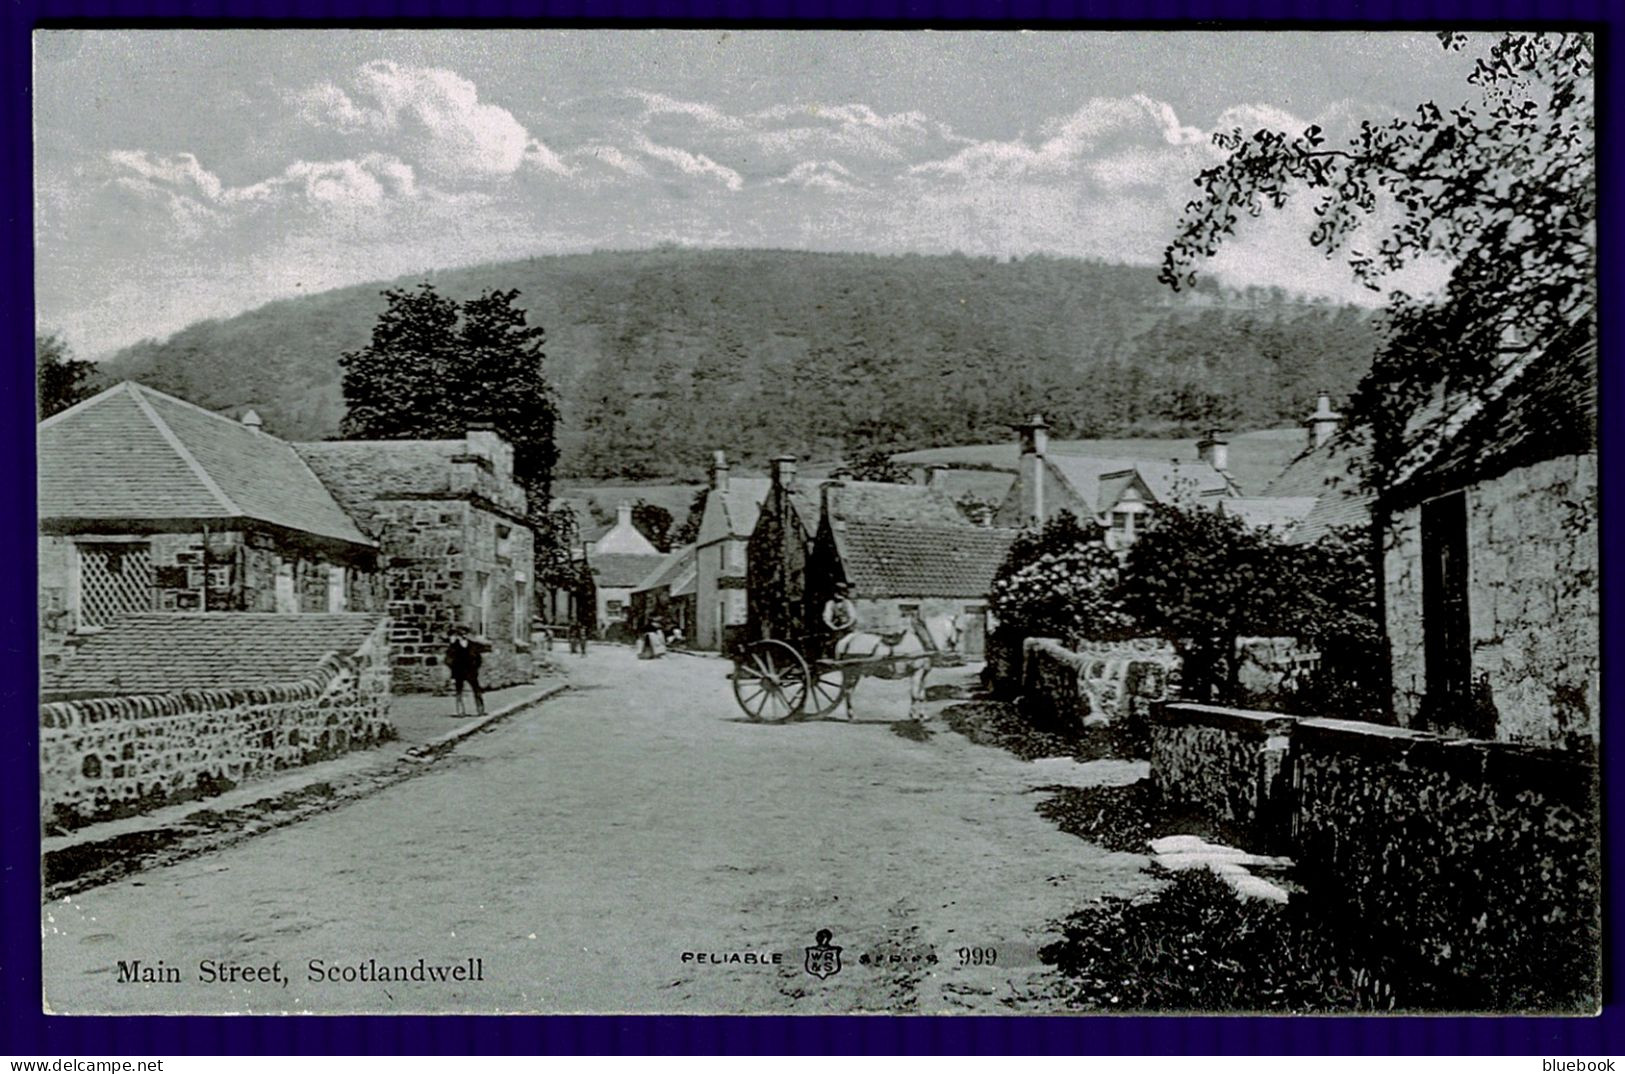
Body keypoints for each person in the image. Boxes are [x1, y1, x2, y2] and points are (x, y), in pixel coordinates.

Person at [444, 625, 486, 717]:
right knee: (459, 691)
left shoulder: (473, 645)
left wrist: (475, 668)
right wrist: (453, 671)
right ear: (458, 635)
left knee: (477, 690)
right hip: (459, 671)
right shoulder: (454, 646)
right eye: (461, 634)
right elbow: (448, 660)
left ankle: (480, 710)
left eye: (465, 633)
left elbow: (478, 659)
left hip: (471, 671)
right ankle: (460, 711)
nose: (463, 635)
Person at [821, 582, 858, 654]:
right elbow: (826, 617)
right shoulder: (830, 603)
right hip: (835, 630)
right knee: (831, 644)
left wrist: (845, 626)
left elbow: (852, 617)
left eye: (841, 592)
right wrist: (833, 627)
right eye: (837, 591)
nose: (838, 594)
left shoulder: (847, 603)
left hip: (847, 630)